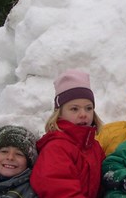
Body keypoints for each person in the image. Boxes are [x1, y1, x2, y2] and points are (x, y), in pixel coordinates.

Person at [30, 69, 105, 197]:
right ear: (60, 113)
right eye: (74, 109)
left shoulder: (93, 146)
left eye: (88, 108)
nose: (83, 114)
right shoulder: (56, 148)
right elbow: (60, 191)